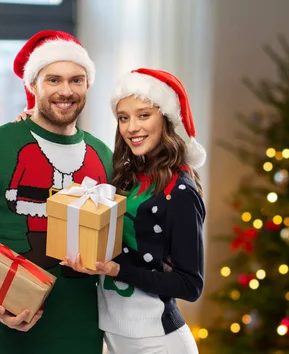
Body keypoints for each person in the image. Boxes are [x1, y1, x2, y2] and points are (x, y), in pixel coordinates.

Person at [0, 30, 112, 354]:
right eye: (53, 80)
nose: (66, 91)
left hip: (85, 337)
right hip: (14, 341)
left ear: (87, 85)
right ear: (33, 85)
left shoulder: (103, 154)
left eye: (77, 80)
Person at [63, 68, 207, 353]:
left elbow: (191, 285)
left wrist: (117, 270)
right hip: (115, 334)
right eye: (123, 118)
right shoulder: (124, 177)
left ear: (165, 119)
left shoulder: (180, 193)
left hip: (157, 340)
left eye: (144, 115)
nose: (131, 128)